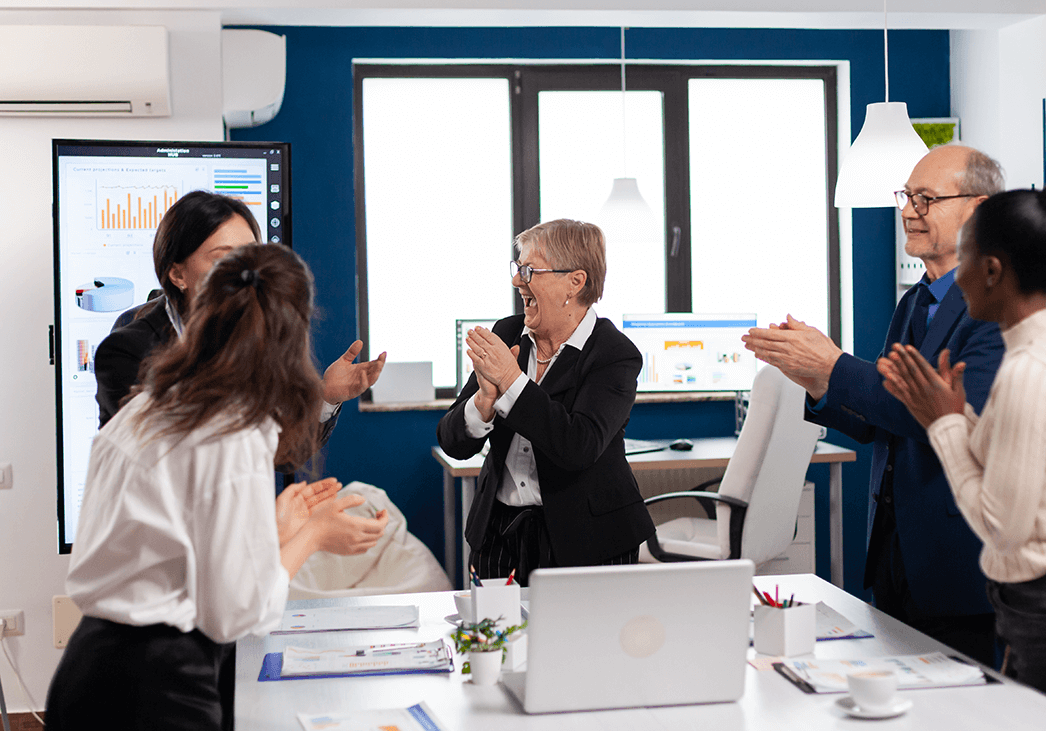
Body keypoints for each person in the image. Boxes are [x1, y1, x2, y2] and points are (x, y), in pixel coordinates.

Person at [46, 244, 370, 730]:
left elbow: (173, 554)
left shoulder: (152, 405)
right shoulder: (231, 431)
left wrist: (273, 533)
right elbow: (235, 613)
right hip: (156, 689)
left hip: (87, 674)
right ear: (291, 337)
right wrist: (312, 536)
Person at [877, 173, 1046, 728]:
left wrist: (945, 425)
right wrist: (963, 416)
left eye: (965, 264)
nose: (958, 282)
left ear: (994, 270)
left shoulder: (1030, 371)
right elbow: (1014, 454)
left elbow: (1003, 524)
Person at [742, 145, 1006, 666]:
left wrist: (835, 364)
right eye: (908, 197)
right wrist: (815, 382)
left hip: (958, 559)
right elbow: (879, 423)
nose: (909, 211)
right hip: (895, 554)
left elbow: (937, 416)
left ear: (977, 210)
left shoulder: (997, 305)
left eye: (927, 199)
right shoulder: (915, 300)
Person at [436, 219, 655, 585]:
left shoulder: (615, 354)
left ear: (575, 281)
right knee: (496, 642)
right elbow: (452, 442)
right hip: (498, 537)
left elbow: (578, 446)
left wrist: (510, 381)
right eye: (518, 268)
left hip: (587, 543)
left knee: (583, 643)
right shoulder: (505, 333)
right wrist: (483, 403)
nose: (517, 280)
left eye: (529, 270)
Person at [94, 190, 385, 437]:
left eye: (249, 258)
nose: (242, 273)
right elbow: (170, 461)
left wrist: (325, 396)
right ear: (176, 273)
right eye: (223, 259)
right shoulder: (124, 351)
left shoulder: (254, 336)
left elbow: (284, 452)